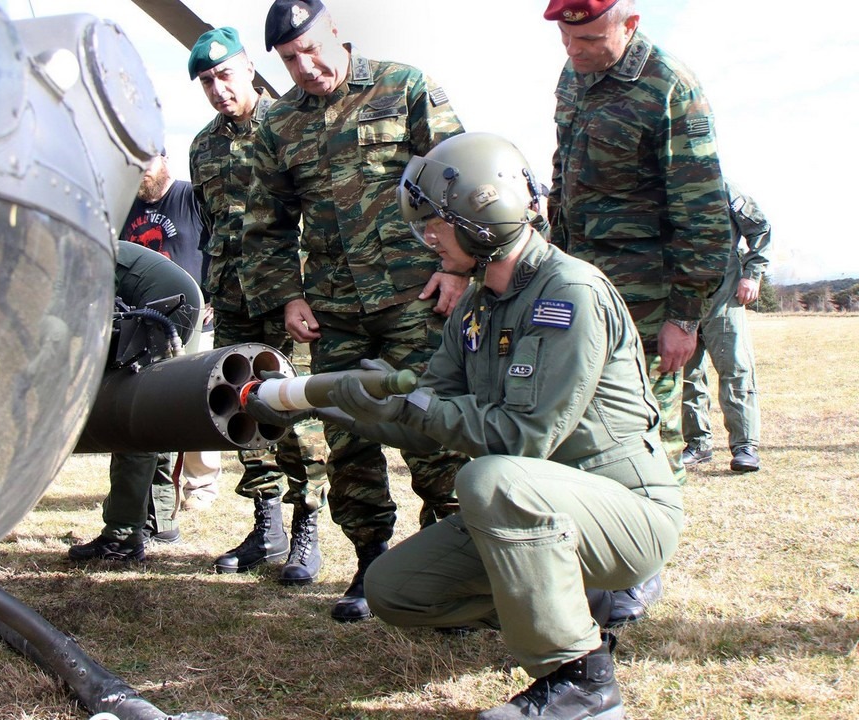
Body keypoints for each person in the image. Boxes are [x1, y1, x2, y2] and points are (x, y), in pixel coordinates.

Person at [255, 132, 682, 720]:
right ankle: (577, 600)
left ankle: (582, 682)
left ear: (483, 216)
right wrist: (341, 406)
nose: (425, 236)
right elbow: (433, 413)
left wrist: (416, 405)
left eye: (435, 222)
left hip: (625, 511)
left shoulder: (570, 294)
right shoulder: (478, 308)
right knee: (395, 589)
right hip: (539, 510)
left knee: (487, 480)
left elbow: (521, 438)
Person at [240, 0, 468, 621]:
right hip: (334, 311)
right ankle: (370, 559)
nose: (305, 65)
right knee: (347, 440)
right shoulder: (278, 124)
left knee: (436, 432)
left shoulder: (405, 87)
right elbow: (265, 224)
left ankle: (451, 557)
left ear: (334, 30)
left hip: (416, 301)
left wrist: (455, 269)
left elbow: (462, 179)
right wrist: (288, 294)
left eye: (311, 48)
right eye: (290, 59)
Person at [544, 0, 732, 624]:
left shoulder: (670, 87)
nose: (576, 49)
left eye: (591, 37)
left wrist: (686, 314)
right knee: (583, 422)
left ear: (630, 24)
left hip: (650, 297)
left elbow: (704, 212)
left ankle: (643, 562)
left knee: (648, 428)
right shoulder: (573, 78)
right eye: (568, 37)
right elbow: (563, 180)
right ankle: (596, 550)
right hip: (582, 289)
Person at [187, 27, 330, 584]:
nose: (218, 89)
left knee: (294, 408)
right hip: (231, 296)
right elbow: (211, 225)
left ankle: (306, 526)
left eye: (224, 75)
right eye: (206, 82)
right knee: (244, 407)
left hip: (289, 297)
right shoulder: (202, 146)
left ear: (248, 68)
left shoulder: (289, 123)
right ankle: (265, 525)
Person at [120, 152, 222, 511]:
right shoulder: (124, 208)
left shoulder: (191, 197)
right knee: (150, 406)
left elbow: (217, 246)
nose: (140, 173)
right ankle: (157, 491)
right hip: (143, 324)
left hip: (193, 318)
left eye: (145, 163)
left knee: (198, 401)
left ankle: (201, 484)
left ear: (163, 160)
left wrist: (213, 295)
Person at [681, 182, 772, 473]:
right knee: (687, 373)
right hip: (681, 293)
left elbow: (760, 228)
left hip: (725, 292)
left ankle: (745, 445)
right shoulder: (662, 190)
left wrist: (752, 274)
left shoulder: (721, 188)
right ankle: (697, 444)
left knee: (735, 367)